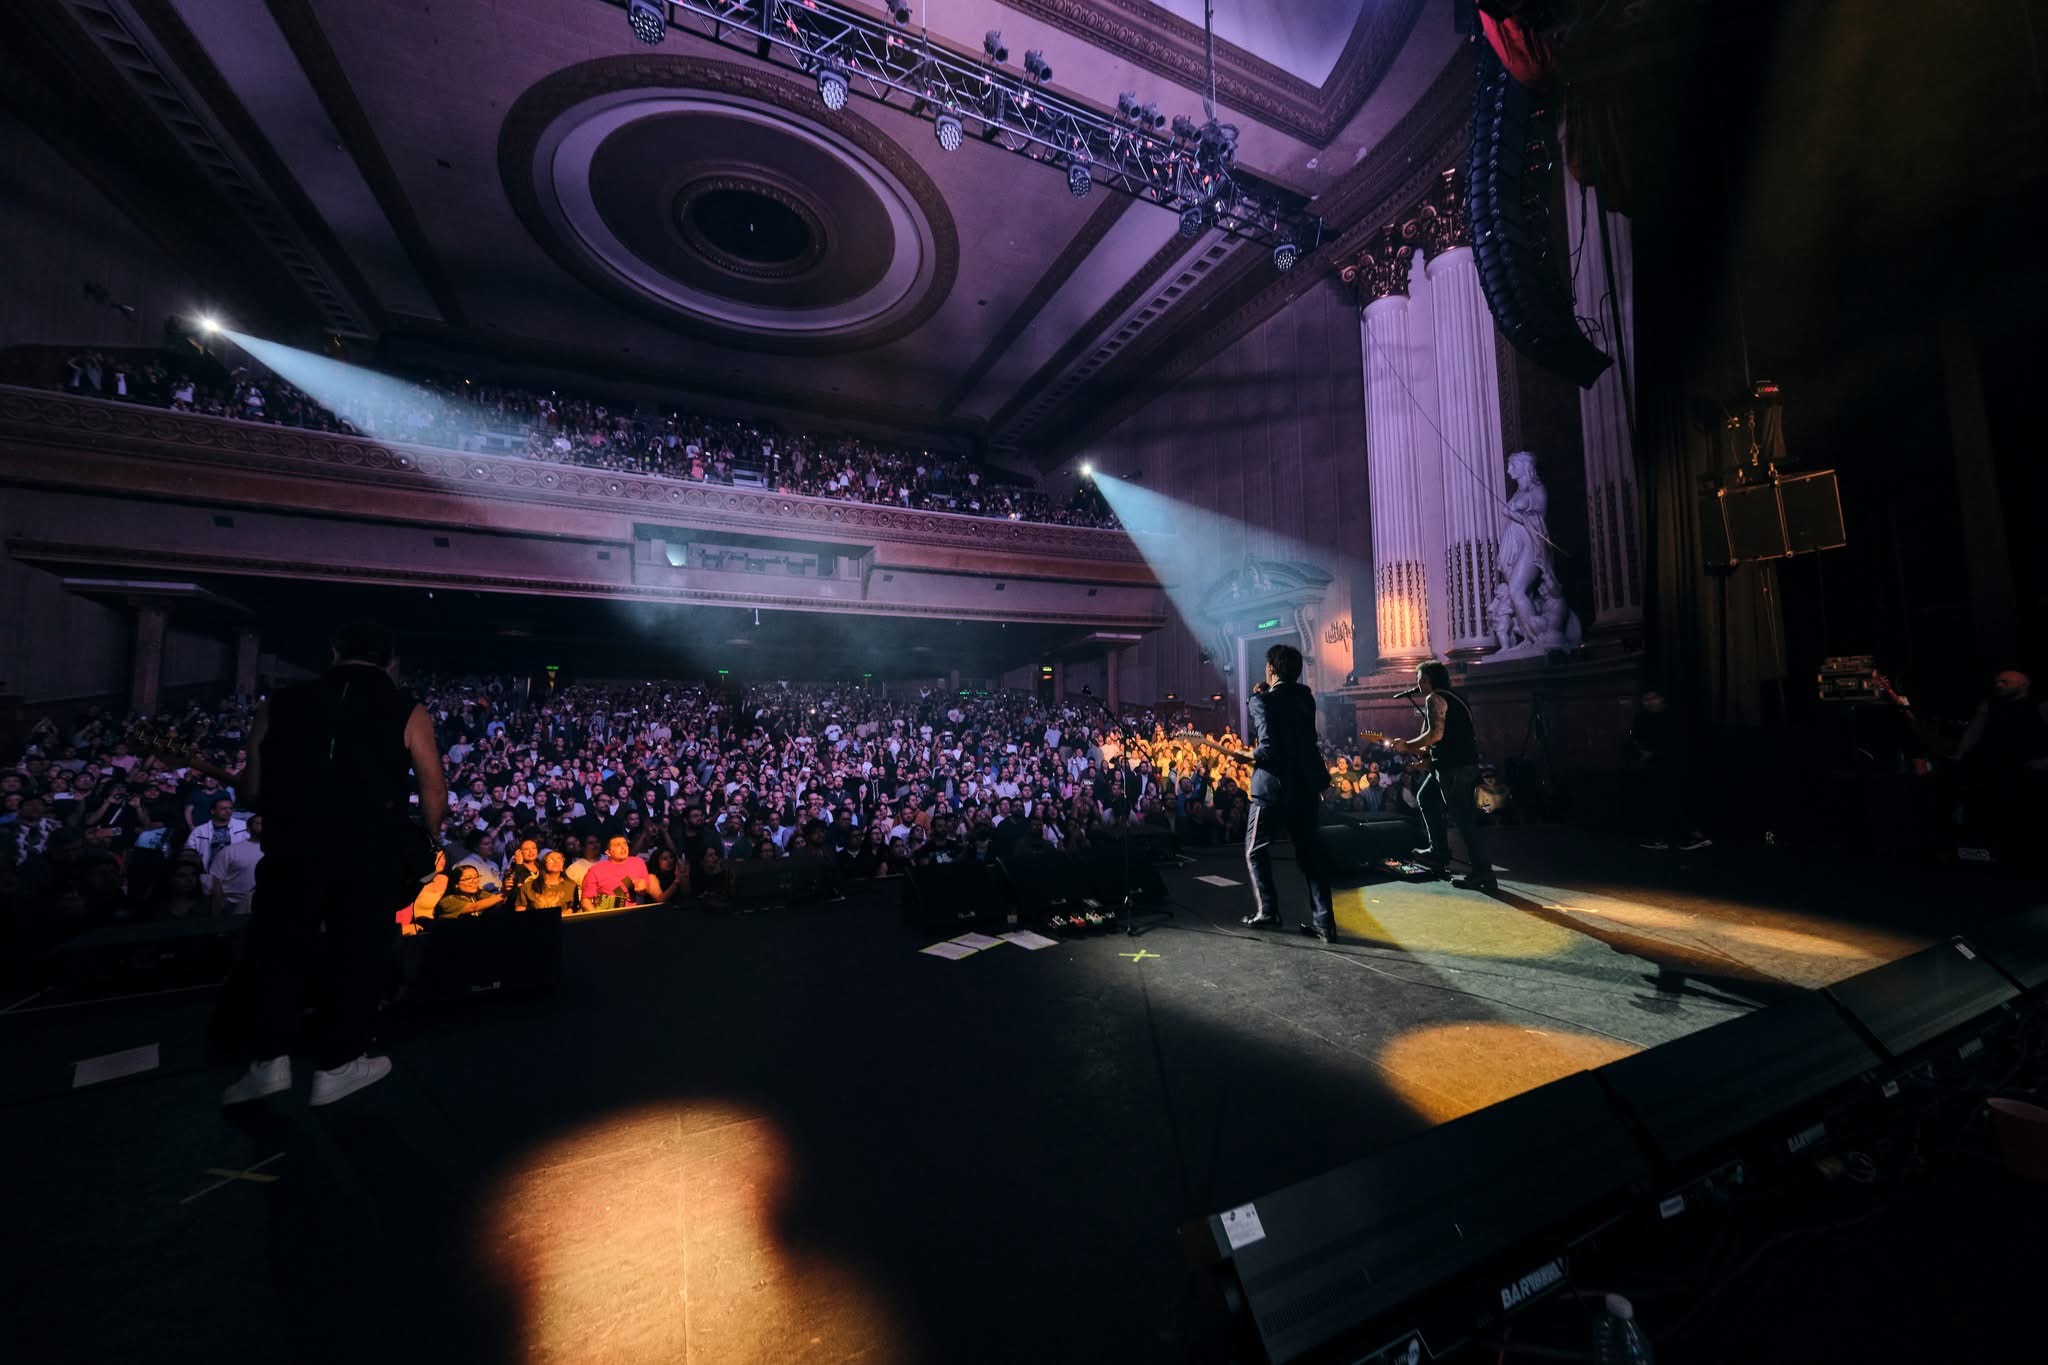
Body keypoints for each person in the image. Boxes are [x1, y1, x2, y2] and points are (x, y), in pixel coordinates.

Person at [221, 622, 447, 1109]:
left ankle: (269, 1065)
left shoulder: (277, 704)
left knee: (279, 949)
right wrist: (428, 839)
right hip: (368, 850)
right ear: (390, 659)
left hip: (293, 845)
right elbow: (433, 787)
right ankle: (337, 1066)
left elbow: (254, 790)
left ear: (333, 650)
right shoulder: (407, 709)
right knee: (357, 951)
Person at [1231, 644, 1338, 942]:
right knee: (1310, 854)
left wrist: (1247, 753)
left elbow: (1267, 748)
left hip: (1273, 787)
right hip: (1304, 784)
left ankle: (1268, 911)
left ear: (1271, 668)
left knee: (1255, 849)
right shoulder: (1306, 697)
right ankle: (1324, 923)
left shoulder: (1262, 701)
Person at [1388, 661, 1497, 893]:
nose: (1418, 683)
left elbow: (1435, 734)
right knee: (1426, 796)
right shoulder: (1456, 698)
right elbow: (1450, 736)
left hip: (1454, 769)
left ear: (1431, 680)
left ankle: (1483, 873)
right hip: (1456, 765)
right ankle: (1438, 851)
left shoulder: (1434, 698)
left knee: (1464, 820)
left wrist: (1407, 746)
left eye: (1422, 679)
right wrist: (1427, 760)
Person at [1630, 687, 1711, 852]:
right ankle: (1680, 836)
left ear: (1662, 699)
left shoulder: (1671, 718)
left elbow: (1674, 741)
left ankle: (1690, 836)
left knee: (1671, 801)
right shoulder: (1646, 718)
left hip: (1672, 765)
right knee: (1666, 802)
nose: (1650, 702)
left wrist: (1649, 752)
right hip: (1660, 765)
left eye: (1653, 698)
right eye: (1646, 699)